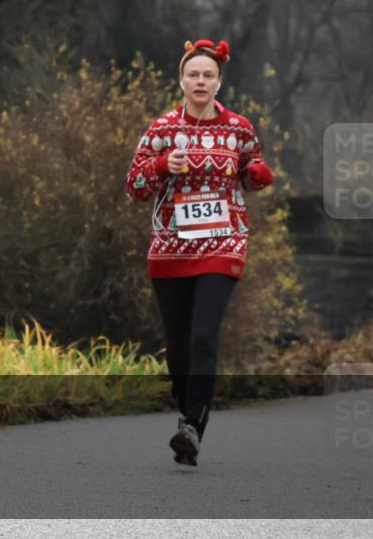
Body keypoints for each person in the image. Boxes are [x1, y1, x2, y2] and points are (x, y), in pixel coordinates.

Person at [125, 39, 274, 467]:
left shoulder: (239, 128)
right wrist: (159, 166)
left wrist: (259, 174)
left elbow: (251, 169)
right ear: (182, 80)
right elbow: (134, 187)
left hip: (224, 242)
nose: (201, 81)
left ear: (219, 81)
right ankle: (185, 401)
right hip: (171, 248)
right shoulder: (162, 129)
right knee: (178, 346)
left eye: (208, 75)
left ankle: (191, 427)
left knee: (205, 335)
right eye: (194, 74)